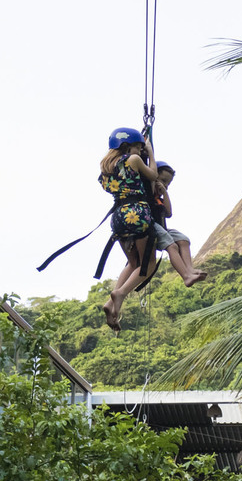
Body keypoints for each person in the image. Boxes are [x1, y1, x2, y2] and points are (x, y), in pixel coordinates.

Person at [99, 126, 159, 331]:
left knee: (133, 262)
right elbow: (152, 175)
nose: (139, 152)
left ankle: (111, 302)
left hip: (118, 217)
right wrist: (150, 153)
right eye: (137, 147)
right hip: (137, 212)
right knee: (148, 263)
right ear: (126, 146)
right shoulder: (132, 160)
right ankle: (121, 292)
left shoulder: (105, 170)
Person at [149, 161, 207, 287]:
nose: (165, 185)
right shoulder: (148, 193)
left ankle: (189, 269)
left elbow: (169, 213)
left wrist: (165, 192)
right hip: (150, 228)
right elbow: (151, 177)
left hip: (163, 229)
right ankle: (186, 276)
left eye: (168, 183)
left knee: (183, 239)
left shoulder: (160, 198)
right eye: (163, 180)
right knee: (172, 245)